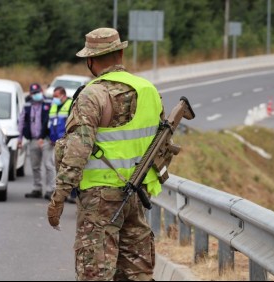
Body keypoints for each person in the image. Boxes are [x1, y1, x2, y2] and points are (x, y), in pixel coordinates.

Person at [47, 27, 166, 281]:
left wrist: (58, 198)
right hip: (137, 193)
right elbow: (162, 144)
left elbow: (77, 152)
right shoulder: (149, 91)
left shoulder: (93, 95)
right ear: (120, 53)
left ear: (90, 60)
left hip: (100, 200)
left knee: (95, 272)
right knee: (137, 273)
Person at [18, 83, 55, 199]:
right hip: (33, 139)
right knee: (35, 166)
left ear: (41, 92)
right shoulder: (27, 105)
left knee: (49, 165)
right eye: (33, 93)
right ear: (31, 94)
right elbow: (21, 122)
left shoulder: (49, 103)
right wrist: (19, 139)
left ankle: (51, 189)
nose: (36, 95)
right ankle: (37, 188)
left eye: (37, 92)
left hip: (46, 139)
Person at [46, 86, 76, 203]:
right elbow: (51, 123)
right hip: (55, 142)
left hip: (67, 143)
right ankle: (61, 193)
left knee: (70, 168)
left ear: (63, 95)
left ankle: (72, 194)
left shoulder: (70, 104)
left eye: (56, 96)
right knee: (58, 169)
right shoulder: (54, 106)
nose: (54, 99)